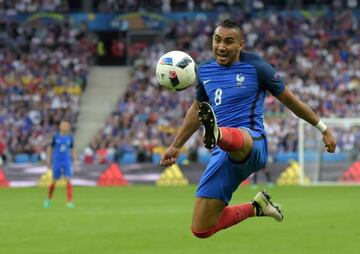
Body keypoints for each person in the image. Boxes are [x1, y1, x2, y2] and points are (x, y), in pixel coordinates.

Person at [160, 18, 336, 239]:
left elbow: (292, 102)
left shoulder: (257, 67)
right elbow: (197, 110)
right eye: (217, 40)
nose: (221, 47)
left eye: (229, 41)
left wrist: (323, 128)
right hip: (222, 155)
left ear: (240, 45)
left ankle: (218, 133)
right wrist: (176, 146)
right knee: (201, 229)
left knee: (234, 137)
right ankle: (257, 207)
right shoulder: (204, 71)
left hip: (252, 143)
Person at [44, 121, 78, 208]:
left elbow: (73, 149)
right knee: (54, 180)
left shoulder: (70, 138)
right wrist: (48, 159)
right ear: (60, 127)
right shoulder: (56, 137)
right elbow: (50, 148)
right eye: (64, 126)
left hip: (66, 161)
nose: (65, 127)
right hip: (57, 161)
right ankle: (49, 199)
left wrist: (75, 162)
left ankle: (70, 202)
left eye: (67, 126)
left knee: (68, 179)